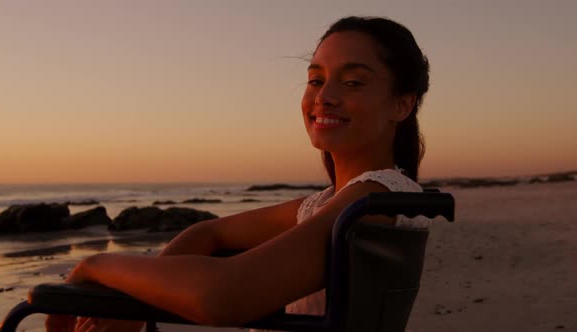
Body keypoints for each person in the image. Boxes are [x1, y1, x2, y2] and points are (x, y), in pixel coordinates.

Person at [46, 15, 431, 332]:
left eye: (352, 82)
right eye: (316, 79)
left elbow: (224, 295)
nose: (323, 96)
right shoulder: (332, 202)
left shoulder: (374, 198)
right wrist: (130, 312)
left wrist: (96, 266)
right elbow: (208, 233)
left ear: (401, 104)